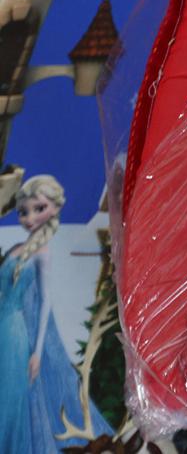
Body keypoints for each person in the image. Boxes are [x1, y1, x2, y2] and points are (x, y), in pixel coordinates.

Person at [0, 176, 113, 453]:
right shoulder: (17, 249)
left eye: (38, 209)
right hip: (5, 324)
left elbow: (46, 301)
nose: (29, 218)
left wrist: (37, 351)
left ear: (53, 209)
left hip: (16, 331)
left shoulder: (42, 252)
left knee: (13, 397)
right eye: (24, 211)